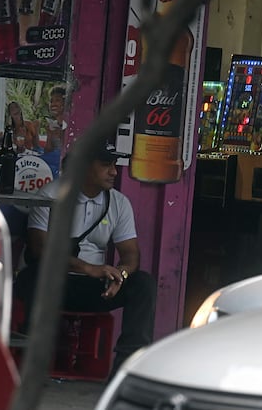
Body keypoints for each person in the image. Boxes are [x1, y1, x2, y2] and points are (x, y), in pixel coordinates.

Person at [15, 142, 157, 377]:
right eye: (105, 165)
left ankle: (126, 371)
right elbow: (40, 249)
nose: (114, 172)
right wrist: (88, 268)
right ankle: (30, 365)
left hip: (95, 290)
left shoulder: (119, 203)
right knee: (36, 275)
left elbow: (131, 254)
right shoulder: (51, 196)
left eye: (114, 165)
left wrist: (120, 275)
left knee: (143, 284)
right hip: (53, 285)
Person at [44, 86, 67, 153]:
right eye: (51, 101)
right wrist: (49, 135)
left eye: (57, 100)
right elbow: (47, 152)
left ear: (65, 103)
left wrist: (61, 135)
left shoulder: (72, 125)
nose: (53, 104)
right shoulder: (52, 125)